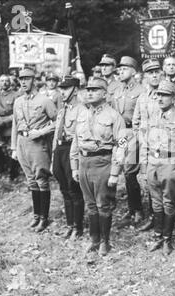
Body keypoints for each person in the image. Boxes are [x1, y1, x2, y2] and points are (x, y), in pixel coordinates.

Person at [70, 77, 127, 256]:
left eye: (95, 90)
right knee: (90, 204)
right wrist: (74, 166)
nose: (90, 92)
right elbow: (75, 142)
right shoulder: (82, 114)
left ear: (104, 93)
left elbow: (121, 145)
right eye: (88, 90)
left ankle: (104, 241)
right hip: (84, 163)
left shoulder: (114, 116)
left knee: (103, 205)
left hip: (103, 163)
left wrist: (115, 172)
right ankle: (94, 239)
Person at [140, 80, 175, 254]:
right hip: (153, 164)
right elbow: (145, 143)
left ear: (173, 98)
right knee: (155, 203)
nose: (160, 98)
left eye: (165, 95)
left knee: (168, 203)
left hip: (171, 165)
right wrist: (144, 166)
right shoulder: (153, 118)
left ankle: (166, 239)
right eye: (158, 95)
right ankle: (157, 235)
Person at [11, 68, 57, 232]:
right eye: (21, 79)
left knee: (41, 179)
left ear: (35, 80)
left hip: (38, 144)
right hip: (22, 142)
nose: (23, 82)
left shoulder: (45, 100)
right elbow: (15, 125)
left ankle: (44, 218)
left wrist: (41, 132)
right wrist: (14, 147)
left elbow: (57, 122)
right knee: (31, 180)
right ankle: (36, 216)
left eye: (27, 78)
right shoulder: (18, 101)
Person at [111, 56, 146, 229]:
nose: (121, 71)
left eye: (125, 68)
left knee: (130, 172)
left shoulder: (141, 90)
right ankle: (132, 208)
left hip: (133, 132)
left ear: (133, 71)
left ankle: (137, 210)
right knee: (123, 170)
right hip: (120, 133)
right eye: (120, 69)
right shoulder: (117, 91)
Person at [132, 58, 163, 232]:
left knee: (163, 184)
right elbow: (136, 121)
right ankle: (153, 217)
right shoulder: (142, 98)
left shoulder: (168, 95)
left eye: (157, 72)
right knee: (149, 181)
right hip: (146, 148)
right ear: (145, 76)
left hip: (164, 148)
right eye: (150, 73)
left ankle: (164, 222)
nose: (154, 75)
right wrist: (141, 139)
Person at [52, 76, 85, 239]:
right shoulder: (62, 109)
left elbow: (80, 137)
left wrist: (76, 162)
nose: (62, 92)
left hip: (72, 150)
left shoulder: (82, 110)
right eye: (61, 89)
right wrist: (53, 157)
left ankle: (78, 227)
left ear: (75, 90)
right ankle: (70, 224)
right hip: (60, 150)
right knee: (64, 189)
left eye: (65, 88)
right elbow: (56, 134)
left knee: (74, 190)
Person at [0, 74, 22, 180]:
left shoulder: (16, 95)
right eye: (2, 81)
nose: (4, 83)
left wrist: (5, 120)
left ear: (10, 83)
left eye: (6, 81)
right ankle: (8, 170)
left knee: (13, 150)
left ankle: (14, 173)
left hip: (11, 127)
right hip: (0, 128)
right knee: (4, 150)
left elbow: (18, 112)